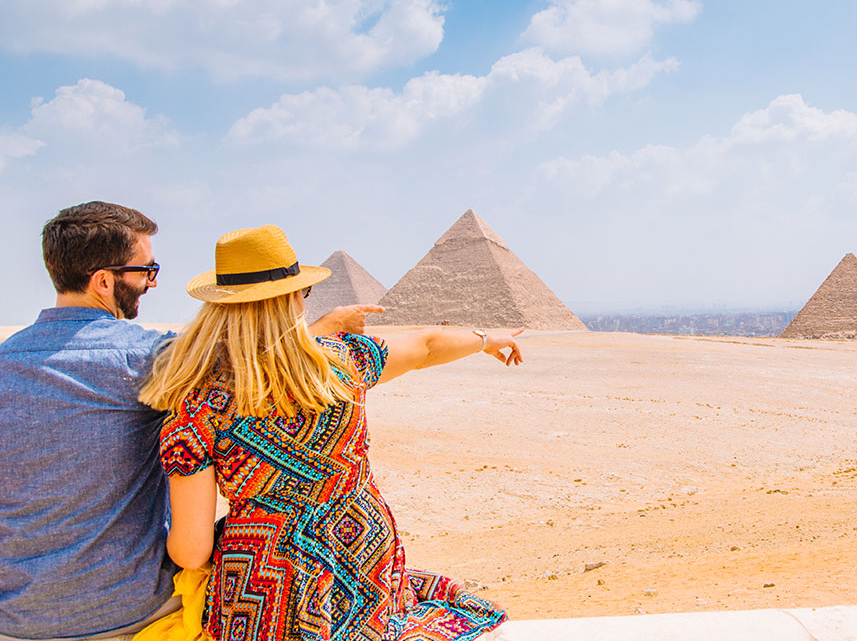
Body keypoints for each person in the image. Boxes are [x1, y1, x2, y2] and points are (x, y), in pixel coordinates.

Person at [0, 202, 376, 641]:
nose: (150, 283)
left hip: (16, 616)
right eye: (146, 270)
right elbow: (256, 361)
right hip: (128, 612)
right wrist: (319, 332)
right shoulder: (152, 359)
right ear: (103, 281)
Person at [140, 224, 520, 641]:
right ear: (292, 299)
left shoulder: (195, 409)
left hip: (265, 588)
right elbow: (427, 345)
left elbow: (191, 551)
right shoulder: (345, 363)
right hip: (363, 561)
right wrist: (487, 339)